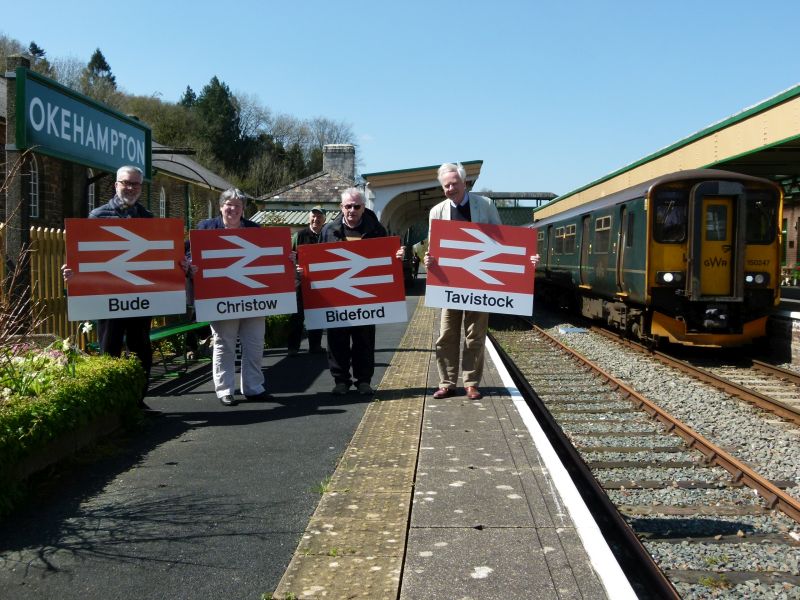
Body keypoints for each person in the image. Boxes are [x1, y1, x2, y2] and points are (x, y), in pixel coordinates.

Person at [424, 163, 539, 400]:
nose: (450, 188)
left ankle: (471, 383)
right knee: (446, 334)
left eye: (454, 184)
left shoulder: (485, 205)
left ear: (464, 183)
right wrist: (428, 259)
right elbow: (433, 245)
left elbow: (504, 241)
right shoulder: (437, 211)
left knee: (475, 334)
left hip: (480, 282)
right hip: (449, 284)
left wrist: (527, 258)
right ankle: (447, 382)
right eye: (446, 185)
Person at [62, 165, 157, 413]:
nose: (131, 188)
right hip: (109, 297)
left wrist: (178, 264)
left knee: (141, 350)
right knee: (110, 348)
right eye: (126, 183)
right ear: (116, 185)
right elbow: (86, 257)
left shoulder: (149, 219)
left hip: (139, 297)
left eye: (136, 184)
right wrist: (73, 271)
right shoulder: (97, 216)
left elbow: (159, 259)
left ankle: (138, 400)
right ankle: (111, 406)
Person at [317, 188, 404, 395]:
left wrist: (397, 257)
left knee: (364, 340)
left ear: (364, 207)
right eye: (348, 206)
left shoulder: (377, 230)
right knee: (336, 341)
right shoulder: (328, 231)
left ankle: (363, 381)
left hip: (366, 296)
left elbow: (387, 260)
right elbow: (317, 259)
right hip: (337, 296)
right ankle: (341, 381)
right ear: (341, 207)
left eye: (357, 206)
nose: (352, 210)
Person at [191, 189, 273, 407]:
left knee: (254, 344)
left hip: (253, 297)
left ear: (243, 209)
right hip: (220, 297)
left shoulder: (255, 230)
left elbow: (267, 259)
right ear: (220, 206)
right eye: (229, 204)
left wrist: (285, 257)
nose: (233, 209)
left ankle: (254, 387)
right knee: (224, 344)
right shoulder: (205, 228)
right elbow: (190, 255)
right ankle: (225, 389)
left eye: (238, 205)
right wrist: (192, 266)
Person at [287, 206, 326, 356]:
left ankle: (315, 346)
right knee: (296, 315)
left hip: (319, 283)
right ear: (309, 217)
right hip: (300, 281)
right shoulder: (299, 235)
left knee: (316, 315)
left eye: (319, 217)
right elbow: (289, 255)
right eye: (313, 216)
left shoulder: (326, 235)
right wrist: (293, 261)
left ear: (324, 220)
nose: (316, 219)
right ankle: (293, 348)